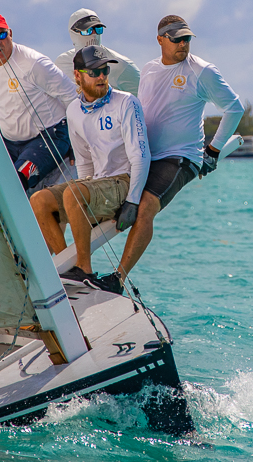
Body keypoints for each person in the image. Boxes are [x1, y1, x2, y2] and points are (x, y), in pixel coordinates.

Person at [93, 15, 244, 294]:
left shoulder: (202, 71)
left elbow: (234, 108)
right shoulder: (149, 70)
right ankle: (82, 270)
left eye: (187, 39)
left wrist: (212, 149)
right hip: (146, 155)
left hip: (181, 156)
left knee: (146, 206)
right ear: (161, 39)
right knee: (107, 201)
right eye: (177, 39)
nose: (183, 44)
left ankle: (117, 279)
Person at [29, 45, 150, 284]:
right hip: (96, 183)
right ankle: (68, 266)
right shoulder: (73, 110)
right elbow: (83, 161)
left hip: (123, 182)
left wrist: (133, 202)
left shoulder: (126, 103)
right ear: (78, 75)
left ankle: (83, 268)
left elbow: (141, 156)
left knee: (73, 193)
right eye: (94, 72)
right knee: (39, 200)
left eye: (105, 70)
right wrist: (82, 198)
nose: (102, 77)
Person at [0, 11, 78, 189]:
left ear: (10, 34)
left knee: (15, 183)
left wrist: (78, 141)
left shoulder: (34, 63)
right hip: (10, 142)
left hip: (49, 137)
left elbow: (72, 97)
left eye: (1, 35)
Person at [55, 9, 141, 95]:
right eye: (87, 31)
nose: (94, 35)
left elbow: (144, 102)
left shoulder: (122, 66)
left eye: (98, 29)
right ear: (72, 33)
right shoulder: (61, 63)